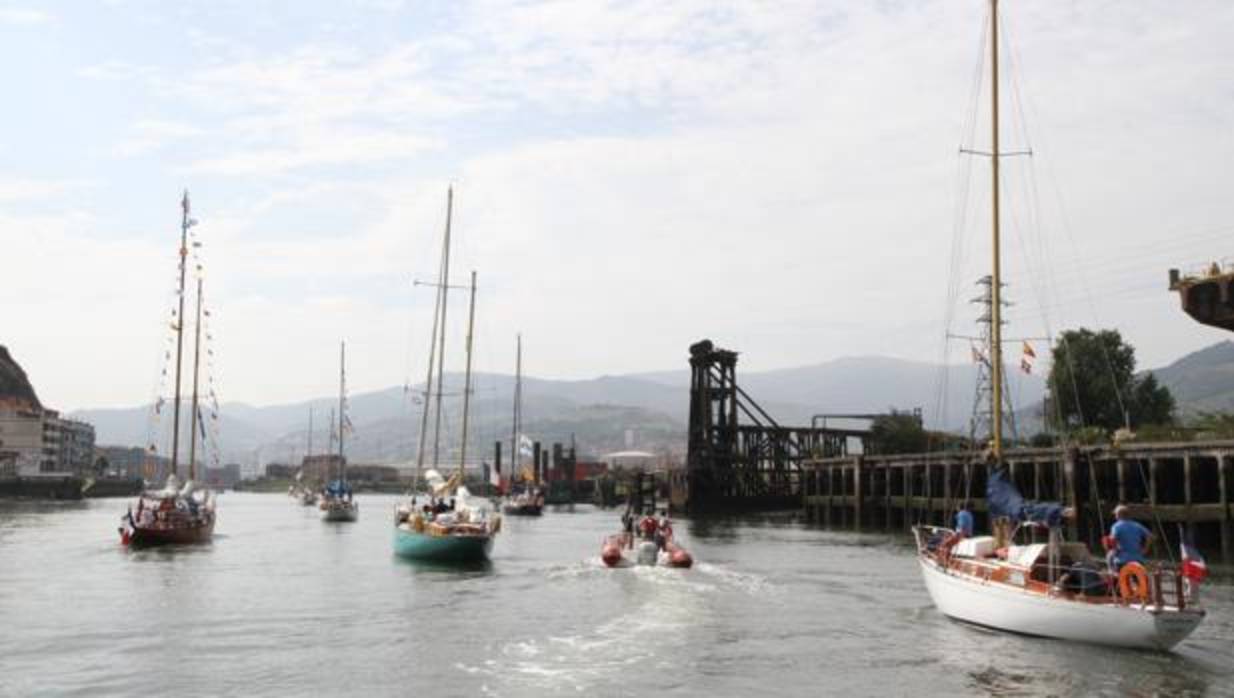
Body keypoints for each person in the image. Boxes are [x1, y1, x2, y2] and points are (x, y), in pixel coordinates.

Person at [1109, 504, 1153, 570]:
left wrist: (1115, 550)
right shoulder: (1137, 525)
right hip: (1138, 559)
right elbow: (1150, 536)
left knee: (1109, 556)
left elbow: (1112, 539)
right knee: (1139, 579)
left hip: (1122, 560)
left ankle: (1111, 573)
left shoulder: (1116, 526)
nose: (1115, 516)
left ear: (1119, 515)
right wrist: (1145, 549)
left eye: (1115, 514)